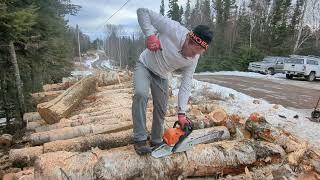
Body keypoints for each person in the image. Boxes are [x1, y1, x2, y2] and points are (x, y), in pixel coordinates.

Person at [132, 8, 213, 155]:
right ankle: (139, 139)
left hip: (162, 75)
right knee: (140, 94)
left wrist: (181, 113)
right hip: (145, 65)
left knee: (161, 108)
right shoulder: (173, 29)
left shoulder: (194, 59)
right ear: (188, 39)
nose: (193, 56)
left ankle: (156, 140)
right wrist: (150, 35)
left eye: (198, 54)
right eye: (193, 52)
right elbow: (142, 12)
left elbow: (186, 83)